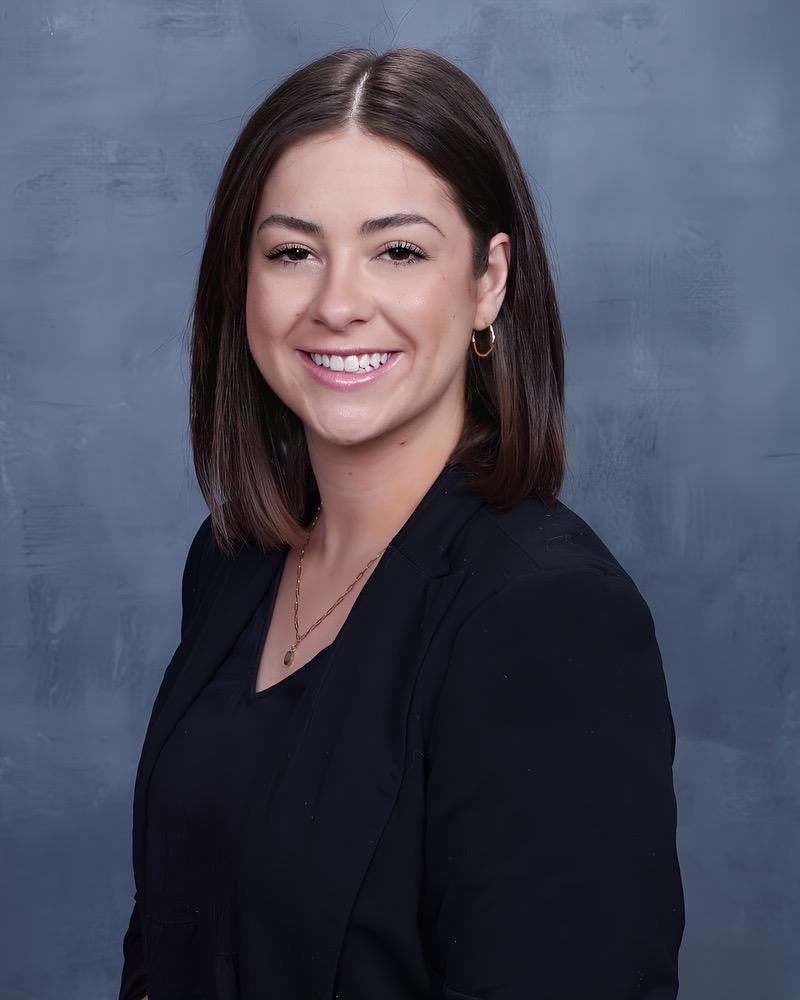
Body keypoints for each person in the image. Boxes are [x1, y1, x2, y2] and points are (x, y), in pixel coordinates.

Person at [118, 45, 684, 1000]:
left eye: (399, 251)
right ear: (242, 282)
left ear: (488, 280)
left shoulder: (548, 621)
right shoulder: (232, 564)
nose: (339, 304)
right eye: (294, 251)